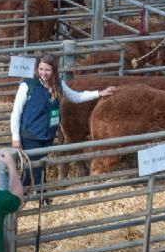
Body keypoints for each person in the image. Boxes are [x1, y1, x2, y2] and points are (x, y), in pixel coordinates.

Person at [10, 54, 116, 188]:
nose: (44, 73)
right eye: (41, 69)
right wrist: (15, 138)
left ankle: (29, 194)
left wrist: (98, 93)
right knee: (34, 168)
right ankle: (37, 194)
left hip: (47, 134)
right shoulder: (27, 86)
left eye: (47, 70)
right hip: (30, 134)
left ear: (54, 70)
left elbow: (76, 97)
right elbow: (16, 113)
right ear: (37, 69)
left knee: (38, 165)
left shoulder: (58, 84)